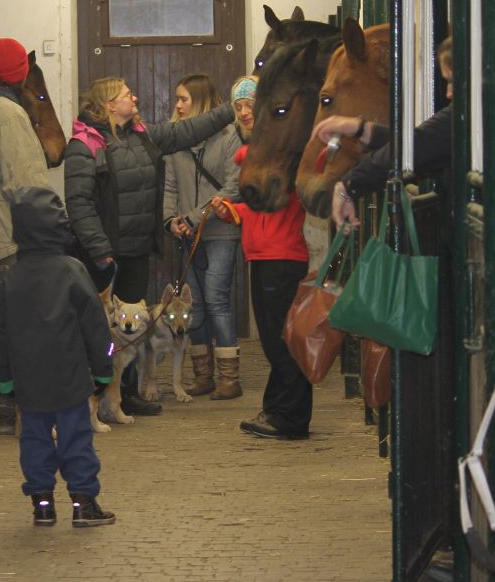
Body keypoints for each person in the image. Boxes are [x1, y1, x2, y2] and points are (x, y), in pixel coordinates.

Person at [65, 75, 234, 416]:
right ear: (110, 105)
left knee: (133, 329)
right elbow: (79, 202)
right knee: (101, 328)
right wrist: (99, 249)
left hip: (136, 247)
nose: (135, 97)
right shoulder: (86, 145)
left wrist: (231, 110)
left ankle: (124, 394)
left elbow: (186, 132)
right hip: (103, 255)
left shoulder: (143, 137)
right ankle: (91, 396)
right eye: (128, 94)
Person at [0, 186, 115, 528]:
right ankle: (83, 503)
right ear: (58, 224)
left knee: (34, 439)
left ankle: (42, 505)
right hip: (71, 376)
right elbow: (96, 328)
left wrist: (2, 377)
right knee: (76, 438)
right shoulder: (73, 271)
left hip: (29, 381)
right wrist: (104, 370)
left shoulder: (10, 279)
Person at [211, 76, 313, 440]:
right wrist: (235, 211)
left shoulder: (277, 149)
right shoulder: (267, 151)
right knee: (275, 340)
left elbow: (255, 168)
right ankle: (277, 409)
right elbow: (265, 204)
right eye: (238, 106)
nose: (243, 112)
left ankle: (290, 418)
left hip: (280, 255)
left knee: (281, 341)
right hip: (266, 252)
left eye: (249, 104)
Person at [0, 37, 52, 434]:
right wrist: (51, 233)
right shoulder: (11, 116)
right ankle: (19, 408)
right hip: (12, 236)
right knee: (24, 328)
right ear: (21, 75)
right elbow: (26, 185)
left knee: (1, 326)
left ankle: (1, 405)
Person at [313, 38, 454, 226]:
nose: (448, 93)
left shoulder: (466, 115)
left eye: (452, 81)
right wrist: (360, 129)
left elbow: (417, 146)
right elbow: (417, 144)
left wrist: (349, 184)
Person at [163, 74, 243, 399]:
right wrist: (170, 219)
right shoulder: (175, 141)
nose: (177, 106)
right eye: (177, 100)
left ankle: (229, 378)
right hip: (187, 236)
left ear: (201, 101)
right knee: (193, 304)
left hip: (220, 231)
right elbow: (169, 187)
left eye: (183, 99)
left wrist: (192, 217)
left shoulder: (229, 137)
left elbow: (232, 187)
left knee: (216, 298)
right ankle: (203, 375)